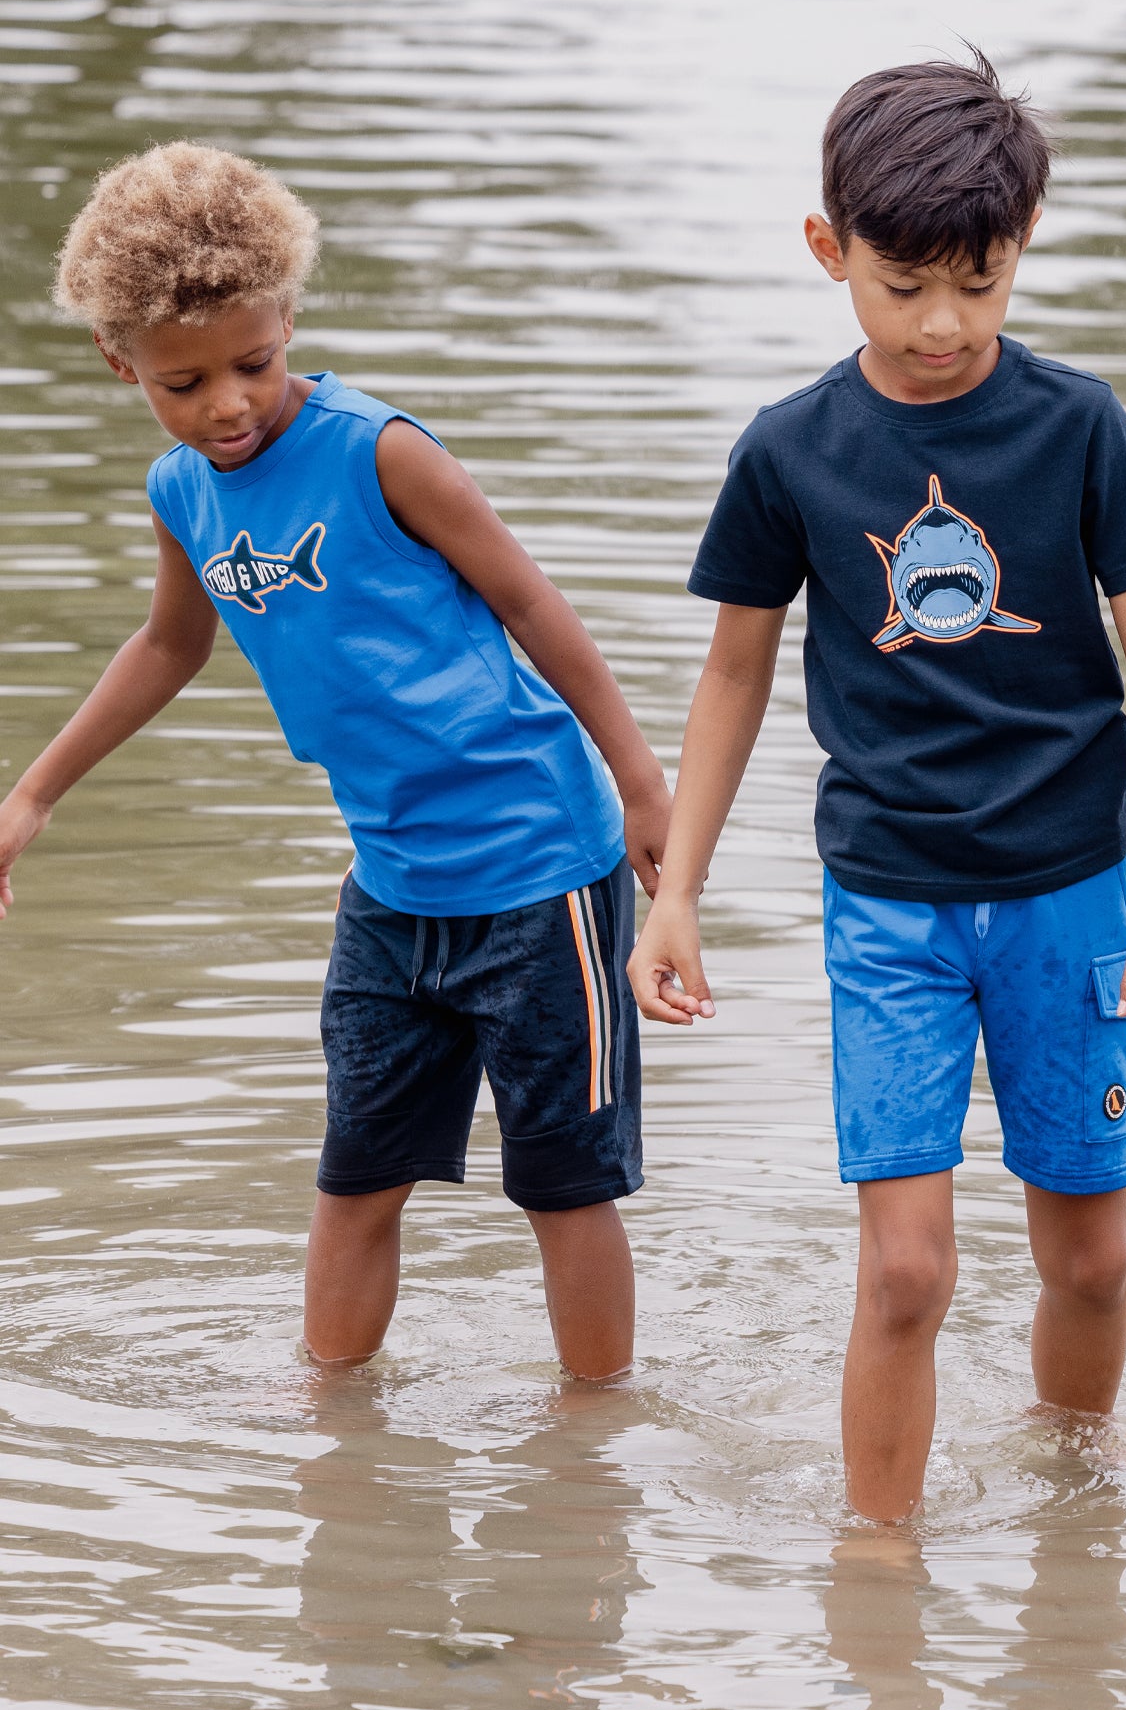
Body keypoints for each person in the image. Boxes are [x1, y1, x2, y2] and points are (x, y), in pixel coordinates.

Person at [627, 50, 1126, 1520]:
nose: (945, 324)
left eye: (982, 282)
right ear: (831, 253)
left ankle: (1078, 1498)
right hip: (887, 905)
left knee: (1093, 1257)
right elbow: (735, 674)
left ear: (1019, 255)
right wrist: (675, 891)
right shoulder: (792, 451)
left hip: (1072, 896)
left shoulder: (1078, 428)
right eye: (904, 286)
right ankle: (877, 1569)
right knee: (906, 1267)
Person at [0, 141, 670, 1381]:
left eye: (252, 364)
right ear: (120, 364)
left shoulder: (380, 452)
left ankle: (595, 1451)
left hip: (538, 871)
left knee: (562, 1188)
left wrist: (636, 773)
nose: (229, 405)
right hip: (393, 888)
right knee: (357, 1175)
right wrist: (31, 794)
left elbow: (529, 598)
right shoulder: (180, 493)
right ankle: (328, 1439)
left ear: (289, 319)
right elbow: (168, 643)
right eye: (183, 382)